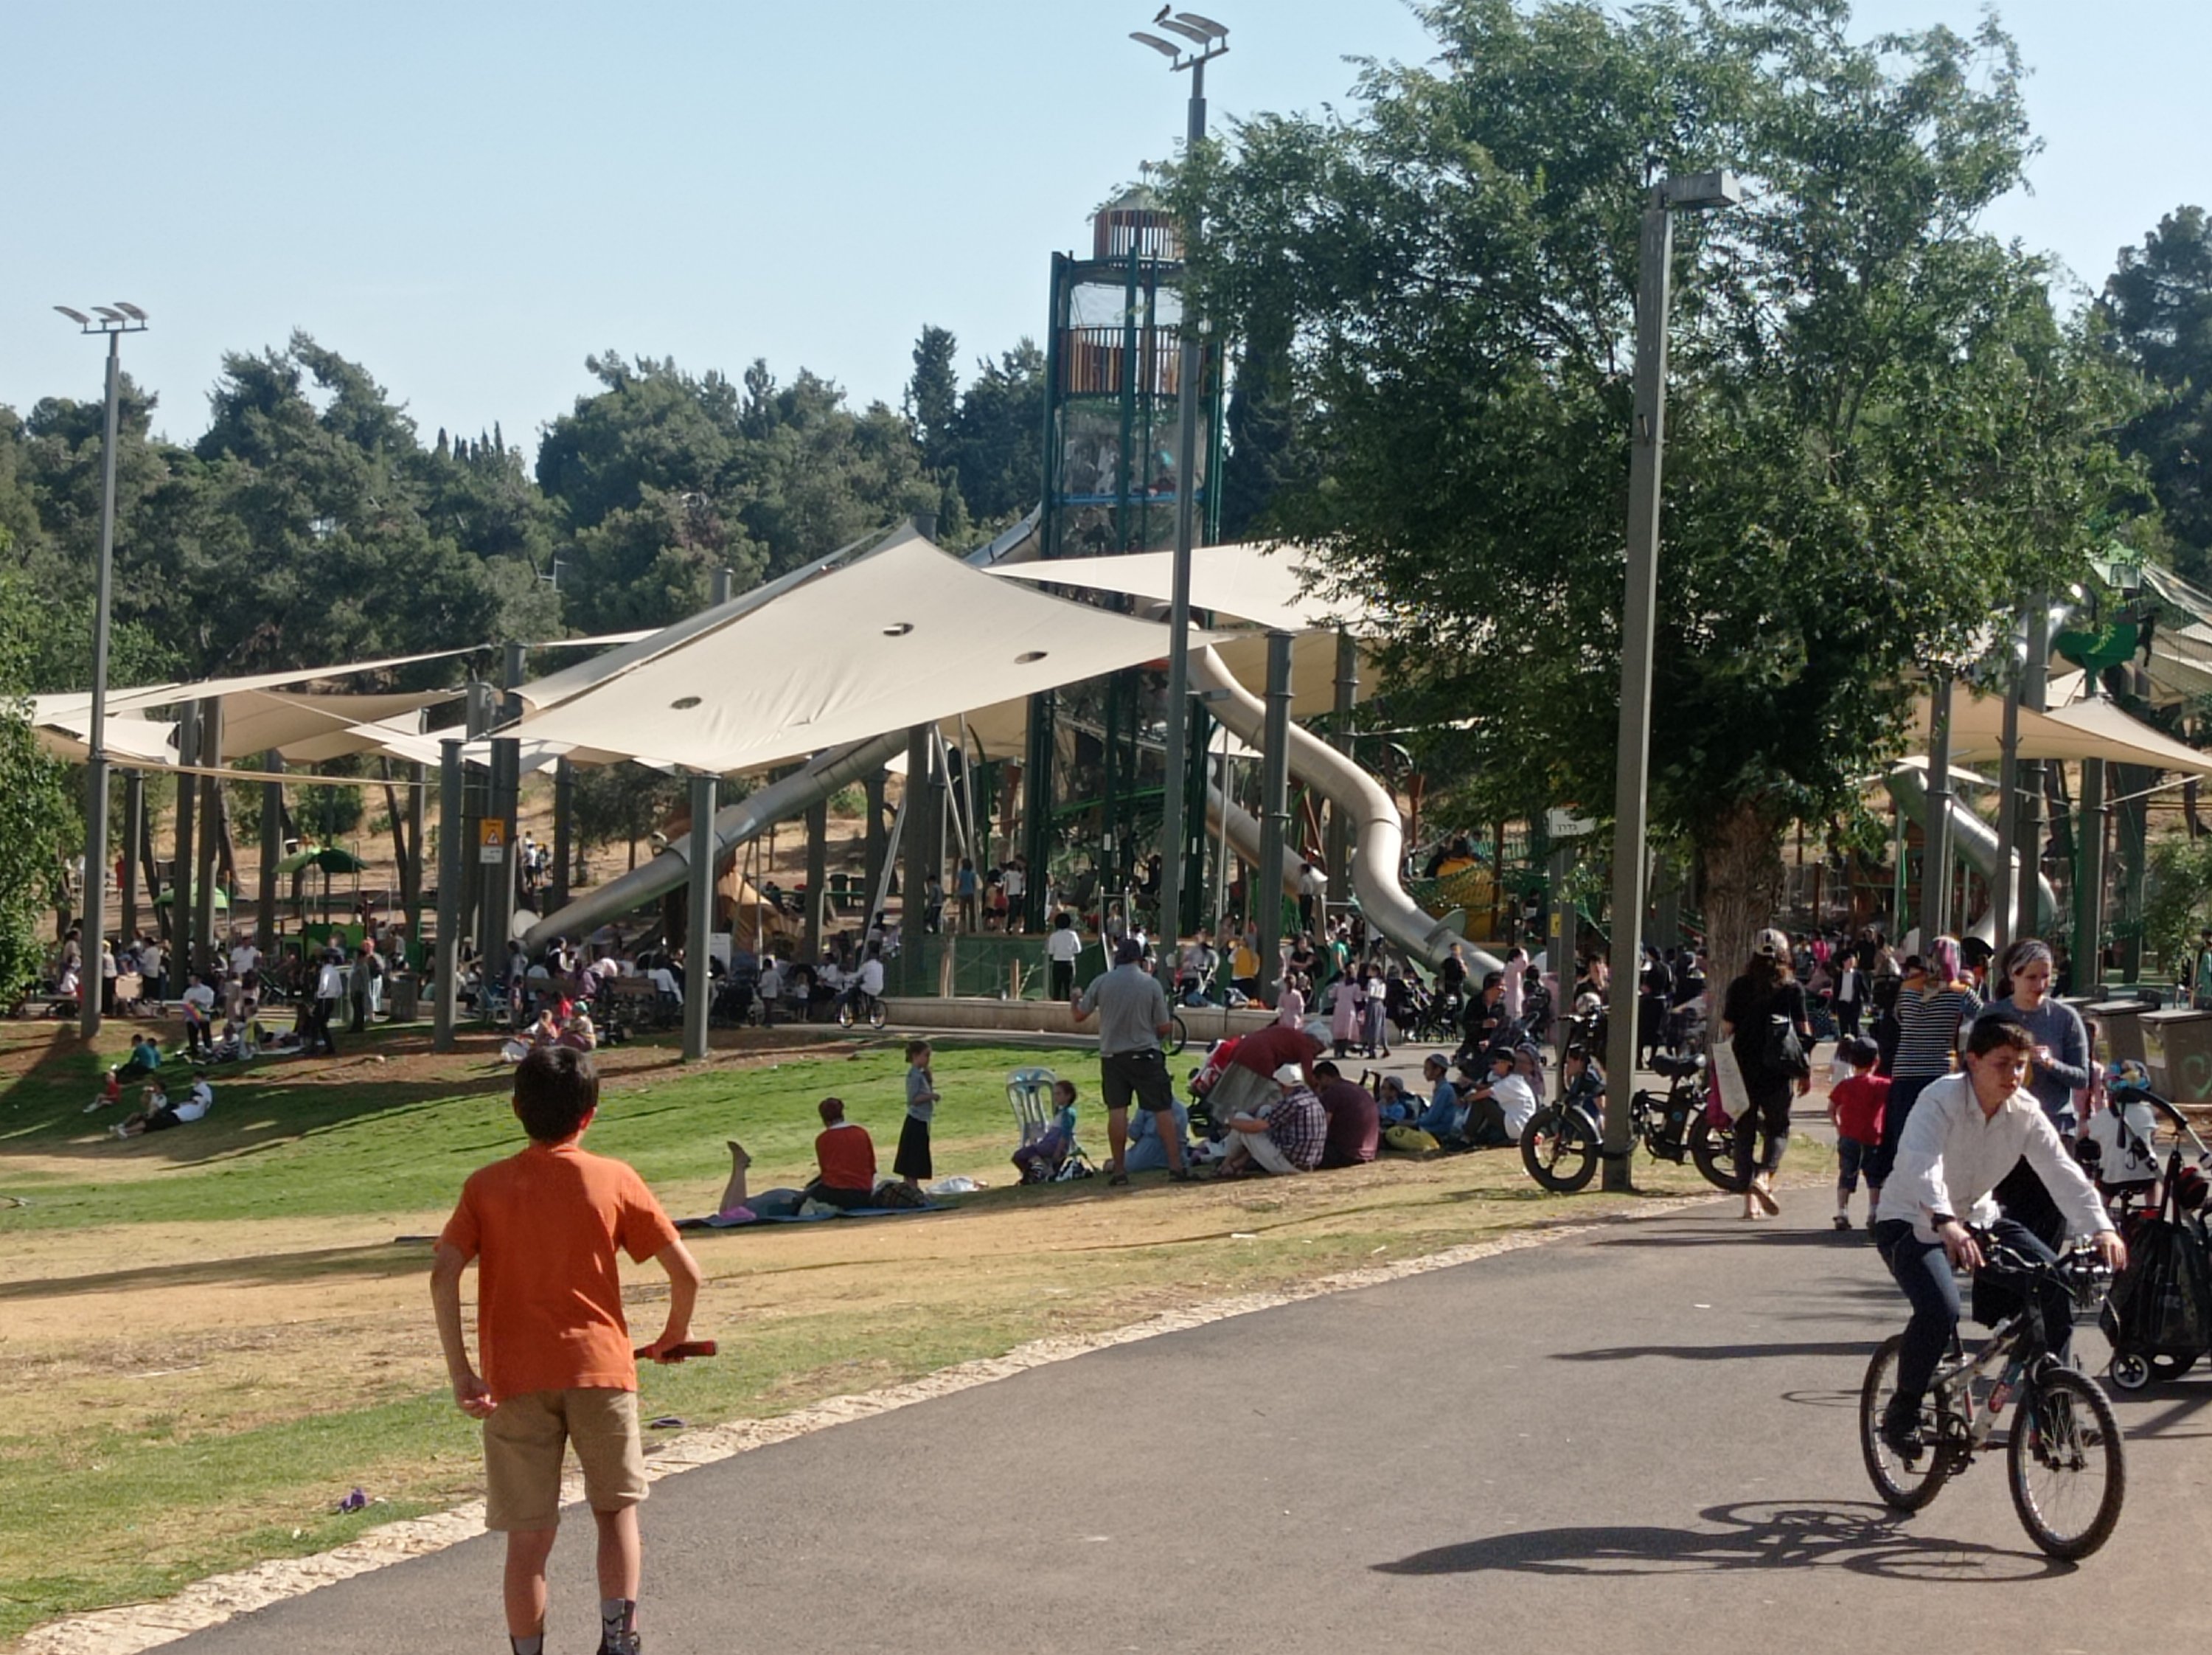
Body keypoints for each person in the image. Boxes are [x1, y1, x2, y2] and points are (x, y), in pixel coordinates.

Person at [431, 1047, 701, 1655]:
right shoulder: (614, 1178)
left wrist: (462, 1371)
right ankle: (619, 1639)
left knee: (528, 1538)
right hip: (601, 1369)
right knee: (616, 1510)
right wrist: (672, 1334)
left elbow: (443, 1273)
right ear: (590, 1114)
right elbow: (687, 1275)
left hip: (514, 1378)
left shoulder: (485, 1187)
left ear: (516, 1109)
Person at [1871, 1016, 2125, 1463]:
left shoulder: (2024, 1111)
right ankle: (1903, 1411)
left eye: (2020, 1065)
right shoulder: (1940, 1099)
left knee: (2055, 1287)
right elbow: (1919, 1163)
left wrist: (2100, 1227)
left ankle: (2054, 1418)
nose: (2013, 1075)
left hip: (1978, 1218)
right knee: (1940, 1308)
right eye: (2002, 1064)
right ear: (1973, 1061)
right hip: (1911, 1218)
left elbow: (2061, 1172)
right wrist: (1944, 1220)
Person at [1986, 937, 2092, 1248]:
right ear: (2013, 975)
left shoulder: (2065, 1018)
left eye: (2046, 976)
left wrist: (2050, 1063)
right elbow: (1974, 1069)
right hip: (2005, 1129)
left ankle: (2047, 1273)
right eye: (2031, 977)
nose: (2040, 985)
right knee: (2009, 1220)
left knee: (2050, 1218)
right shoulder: (1993, 1016)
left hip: (2055, 1128)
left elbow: (2082, 1077)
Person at [1068, 936, 1194, 1185]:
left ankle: (1119, 1171)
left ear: (1117, 957)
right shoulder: (1150, 984)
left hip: (1112, 1056)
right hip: (1145, 1053)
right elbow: (1164, 1026)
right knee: (1162, 1108)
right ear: (1140, 958)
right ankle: (1176, 1166)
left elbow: (1079, 1015)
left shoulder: (1102, 982)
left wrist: (1075, 999)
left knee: (1117, 1111)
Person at [1867, 936, 1982, 1194]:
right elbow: (1985, 1016)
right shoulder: (1961, 992)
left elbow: (1899, 1018)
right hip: (1940, 1072)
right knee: (1938, 1138)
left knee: (1902, 1134)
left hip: (1905, 1070)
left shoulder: (1907, 988)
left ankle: (1897, 1193)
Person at [1719, 928, 1813, 1220]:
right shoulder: (1792, 988)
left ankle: (1750, 1203)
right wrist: (1805, 1070)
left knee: (1744, 1131)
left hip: (1744, 1068)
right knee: (1778, 1129)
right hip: (1778, 1070)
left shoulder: (1739, 986)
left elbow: (1727, 1027)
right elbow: (1803, 1032)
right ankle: (1764, 1176)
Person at [1220, 1061, 1326, 1176]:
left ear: (1282, 1085)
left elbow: (1256, 1127)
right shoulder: (1310, 1097)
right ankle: (1236, 1165)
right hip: (1307, 1164)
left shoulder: (1291, 1102)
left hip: (1289, 1165)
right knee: (1265, 1110)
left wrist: (1229, 1121)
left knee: (1241, 1120)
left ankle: (1226, 1164)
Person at [1828, 1034, 1889, 1231]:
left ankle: (1842, 1212)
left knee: (1846, 1175)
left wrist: (1838, 1126)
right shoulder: (1883, 1085)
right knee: (1875, 1178)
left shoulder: (1845, 1085)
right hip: (1873, 1137)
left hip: (1848, 1136)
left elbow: (1831, 1108)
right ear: (1876, 1061)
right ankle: (1873, 1213)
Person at [807, 1095, 880, 1210]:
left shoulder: (823, 1139)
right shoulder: (861, 1133)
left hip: (837, 1193)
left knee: (809, 1193)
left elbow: (826, 1172)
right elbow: (871, 1165)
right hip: (864, 1192)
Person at [1311, 1059, 1380, 1168]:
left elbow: (1322, 1127)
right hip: (1369, 1152)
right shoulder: (1356, 1088)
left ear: (1325, 1077)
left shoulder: (1332, 1092)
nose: (1316, 1089)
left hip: (1345, 1153)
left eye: (1317, 1084)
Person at [896, 1039, 938, 1194]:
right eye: (926, 1055)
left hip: (923, 1119)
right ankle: (911, 1187)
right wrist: (931, 1096)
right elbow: (913, 1099)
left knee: (916, 1156)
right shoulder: (913, 1075)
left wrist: (929, 1079)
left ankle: (912, 1187)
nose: (928, 1059)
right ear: (915, 1056)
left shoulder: (921, 1075)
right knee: (912, 1159)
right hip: (916, 1120)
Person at [1046, 914, 1083, 1001]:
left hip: (1057, 963)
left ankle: (1055, 1006)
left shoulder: (1053, 936)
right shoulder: (1073, 935)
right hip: (1069, 962)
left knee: (1056, 989)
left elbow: (1050, 951)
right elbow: (1078, 950)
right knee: (1069, 988)